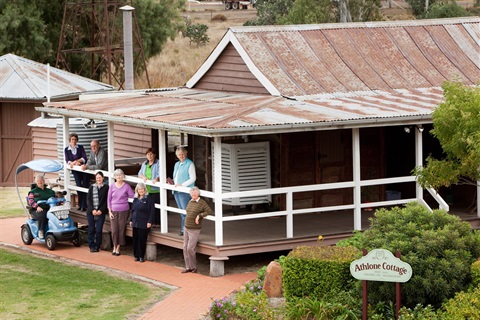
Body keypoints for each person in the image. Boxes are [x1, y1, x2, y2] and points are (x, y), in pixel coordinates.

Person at [181, 187, 213, 274]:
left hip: (194, 229)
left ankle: (194, 267)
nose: (193, 195)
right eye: (192, 193)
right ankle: (188, 267)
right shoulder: (190, 201)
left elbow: (209, 211)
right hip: (186, 227)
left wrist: (200, 215)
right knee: (185, 248)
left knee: (190, 248)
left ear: (198, 194)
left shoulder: (201, 202)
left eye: (195, 193)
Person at [107, 168, 134, 256]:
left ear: (123, 176)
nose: (119, 177)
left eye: (120, 175)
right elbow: (109, 199)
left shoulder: (126, 186)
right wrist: (110, 212)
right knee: (114, 230)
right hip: (114, 210)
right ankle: (114, 246)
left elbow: (132, 195)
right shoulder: (112, 186)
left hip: (124, 210)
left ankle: (118, 248)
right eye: (117, 175)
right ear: (115, 177)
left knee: (121, 230)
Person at [172, 146, 196, 236]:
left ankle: (185, 229)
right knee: (181, 211)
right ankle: (184, 229)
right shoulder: (177, 164)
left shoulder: (190, 164)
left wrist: (182, 185)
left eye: (182, 154)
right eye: (178, 155)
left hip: (185, 191)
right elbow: (176, 176)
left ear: (185, 154)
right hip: (176, 190)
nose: (180, 156)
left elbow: (193, 178)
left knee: (185, 211)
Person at [130, 183, 154, 263]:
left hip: (144, 222)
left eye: (142, 189)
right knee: (135, 239)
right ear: (137, 190)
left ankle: (141, 256)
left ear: (145, 190)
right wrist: (131, 220)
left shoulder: (149, 199)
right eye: (139, 189)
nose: (140, 191)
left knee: (142, 239)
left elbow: (151, 211)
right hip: (135, 222)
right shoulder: (136, 199)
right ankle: (136, 255)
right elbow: (133, 210)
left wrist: (149, 221)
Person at [64, 132, 89, 211]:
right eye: (72, 139)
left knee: (85, 185)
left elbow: (84, 157)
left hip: (83, 169)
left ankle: (84, 205)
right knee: (78, 186)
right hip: (75, 170)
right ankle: (80, 204)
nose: (74, 141)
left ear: (77, 140)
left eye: (75, 139)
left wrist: (77, 161)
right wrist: (73, 163)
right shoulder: (67, 149)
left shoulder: (80, 147)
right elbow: (67, 160)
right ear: (70, 140)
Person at [86, 171, 109, 253]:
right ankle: (91, 245)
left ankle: (97, 245)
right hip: (91, 211)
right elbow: (88, 200)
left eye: (100, 177)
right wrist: (92, 210)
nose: (98, 179)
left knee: (99, 230)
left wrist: (101, 210)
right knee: (91, 229)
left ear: (103, 178)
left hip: (101, 211)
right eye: (97, 178)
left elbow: (106, 201)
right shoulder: (91, 187)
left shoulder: (106, 187)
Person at [27, 175, 55, 239]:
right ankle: (41, 231)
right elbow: (31, 201)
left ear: (44, 181)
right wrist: (37, 207)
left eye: (41, 180)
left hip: (50, 208)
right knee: (42, 214)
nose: (40, 182)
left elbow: (55, 198)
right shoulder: (33, 192)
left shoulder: (50, 191)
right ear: (36, 182)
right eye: (38, 180)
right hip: (36, 209)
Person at [138, 148, 160, 227]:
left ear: (154, 155)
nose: (149, 156)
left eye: (151, 154)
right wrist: (143, 177)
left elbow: (160, 173)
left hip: (155, 189)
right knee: (148, 206)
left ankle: (157, 222)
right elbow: (139, 173)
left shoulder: (158, 163)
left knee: (156, 206)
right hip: (146, 188)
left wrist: (157, 179)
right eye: (148, 154)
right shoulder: (145, 163)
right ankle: (150, 221)